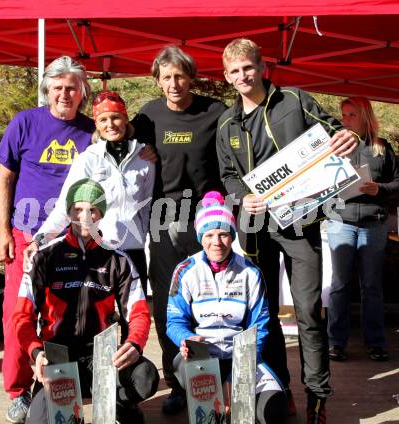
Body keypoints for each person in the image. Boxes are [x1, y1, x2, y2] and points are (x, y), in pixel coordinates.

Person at [216, 38, 358, 424]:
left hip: (301, 225)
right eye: (234, 71)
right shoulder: (227, 123)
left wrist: (349, 137)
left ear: (262, 67)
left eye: (248, 67)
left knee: (309, 312)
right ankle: (280, 390)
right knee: (266, 316)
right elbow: (228, 175)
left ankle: (317, 396)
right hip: (257, 229)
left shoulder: (294, 101)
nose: (242, 75)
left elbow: (334, 130)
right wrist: (243, 197)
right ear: (227, 77)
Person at [0, 56, 95, 423]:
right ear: (47, 90)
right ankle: (19, 391)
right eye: (58, 87)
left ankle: (61, 383)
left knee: (63, 316)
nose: (65, 94)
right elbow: (5, 179)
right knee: (17, 314)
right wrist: (5, 232)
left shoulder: (91, 129)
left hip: (72, 240)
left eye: (72, 87)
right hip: (26, 236)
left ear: (82, 92)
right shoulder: (25, 123)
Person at [12, 179, 159, 424]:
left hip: (103, 356)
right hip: (58, 357)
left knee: (146, 376)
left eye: (92, 209)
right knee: (38, 421)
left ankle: (120, 405)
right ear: (69, 212)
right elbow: (21, 317)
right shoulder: (45, 257)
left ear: (101, 213)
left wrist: (134, 344)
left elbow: (139, 313)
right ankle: (68, 407)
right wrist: (36, 352)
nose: (85, 216)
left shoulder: (118, 260)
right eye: (78, 209)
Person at [132, 45, 227, 414]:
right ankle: (177, 383)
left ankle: (212, 378)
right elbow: (115, 140)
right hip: (162, 220)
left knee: (209, 300)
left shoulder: (214, 111)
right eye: (166, 77)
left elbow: (231, 156)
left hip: (205, 220)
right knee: (169, 302)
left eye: (180, 76)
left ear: (191, 77)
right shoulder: (148, 116)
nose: (173, 84)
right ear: (157, 80)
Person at [166, 191, 287, 424]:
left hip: (241, 356)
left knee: (273, 410)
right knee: (211, 416)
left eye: (223, 235)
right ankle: (207, 400)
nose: (216, 242)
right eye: (209, 235)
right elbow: (174, 321)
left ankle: (238, 398)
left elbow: (260, 326)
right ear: (201, 237)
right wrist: (187, 338)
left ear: (232, 236)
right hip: (202, 355)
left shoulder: (251, 272)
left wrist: (238, 372)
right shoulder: (184, 270)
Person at [28, 91, 155, 300]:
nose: (110, 124)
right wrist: (41, 238)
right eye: (103, 119)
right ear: (96, 124)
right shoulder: (88, 159)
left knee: (134, 318)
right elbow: (67, 205)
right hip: (99, 249)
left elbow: (148, 206)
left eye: (115, 117)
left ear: (125, 118)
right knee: (100, 319)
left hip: (134, 251)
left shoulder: (145, 158)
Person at [327, 97, 399, 362]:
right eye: (343, 115)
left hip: (373, 224)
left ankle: (376, 343)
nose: (344, 120)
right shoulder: (334, 146)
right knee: (339, 285)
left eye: (351, 115)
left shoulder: (382, 148)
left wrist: (379, 189)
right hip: (340, 222)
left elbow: (397, 184)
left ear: (365, 116)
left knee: (372, 286)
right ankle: (336, 342)